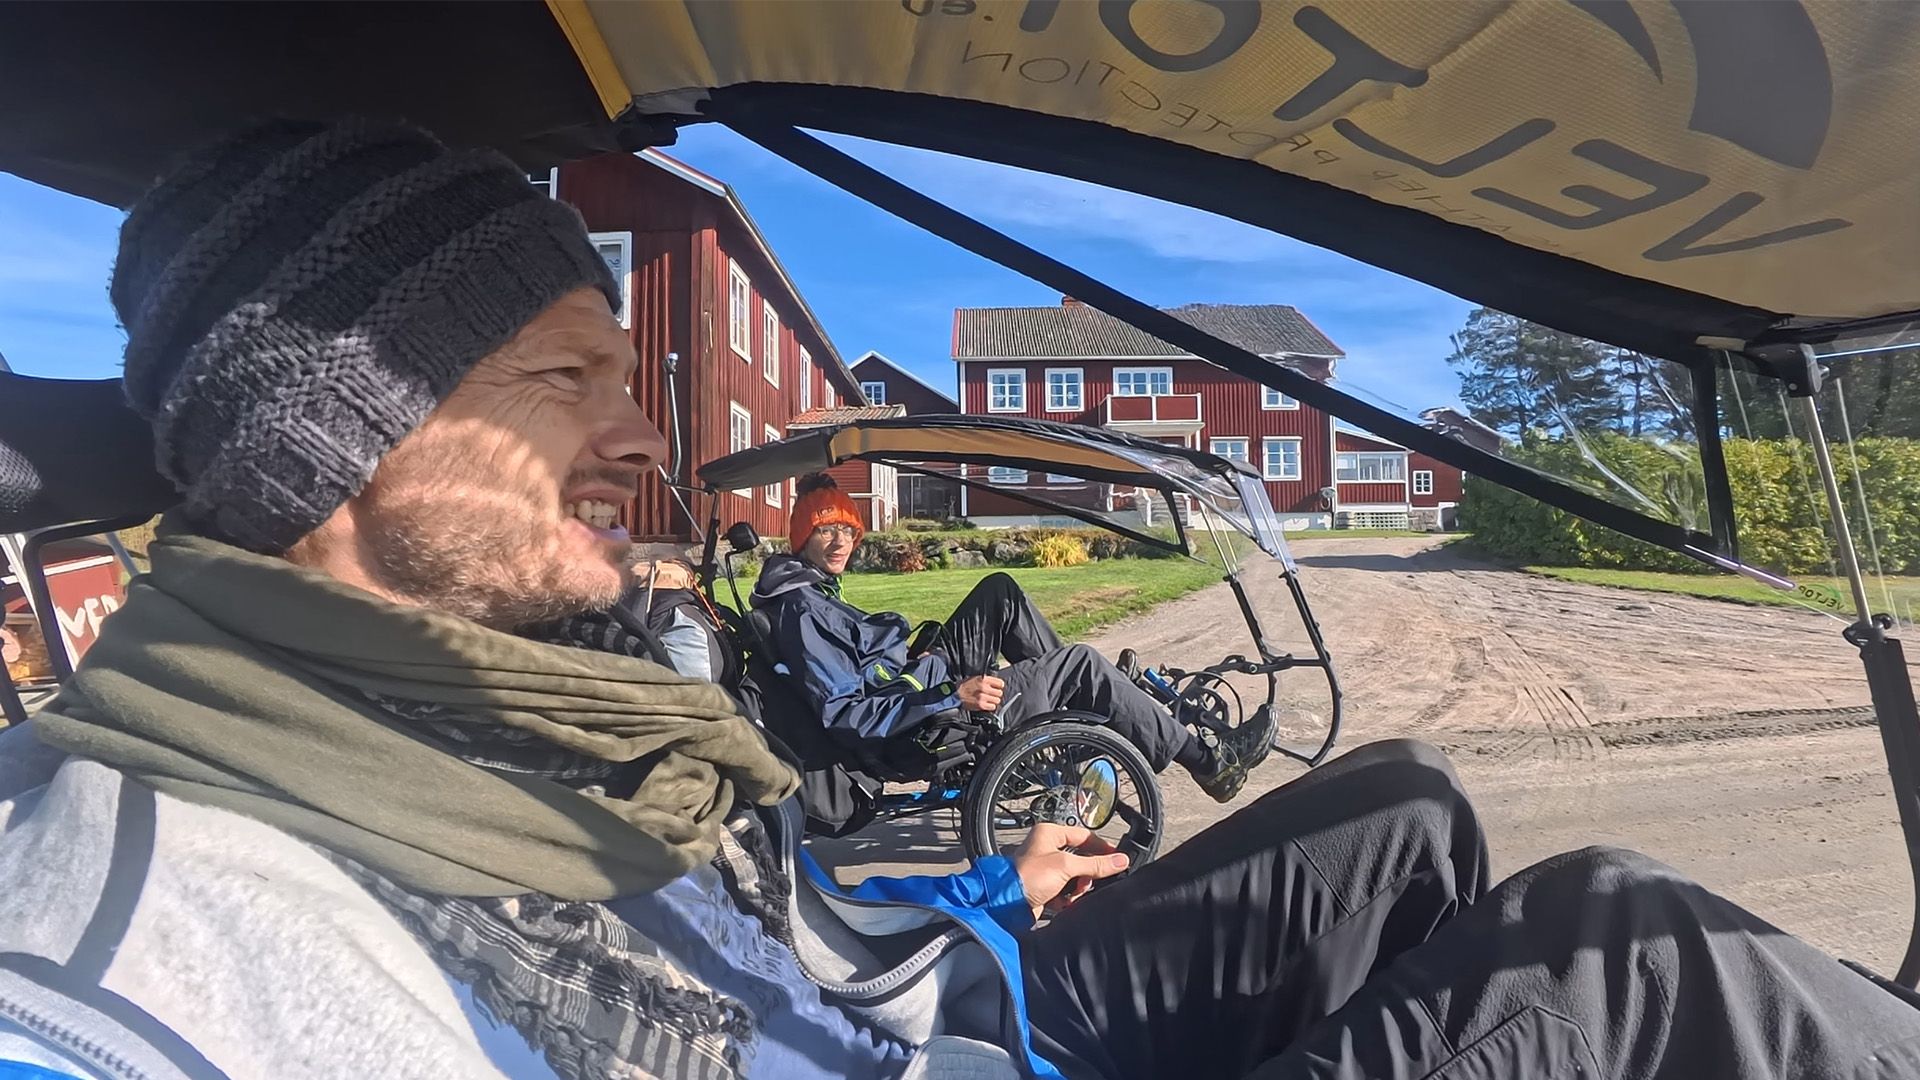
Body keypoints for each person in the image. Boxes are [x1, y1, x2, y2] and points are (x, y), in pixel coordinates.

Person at [1, 118, 1916, 1080]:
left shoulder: (519, 707)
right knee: (1634, 950)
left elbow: (765, 952)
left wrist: (984, 896)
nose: (641, 436)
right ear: (337, 439)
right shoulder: (127, 950)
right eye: (561, 378)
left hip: (925, 1020)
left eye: (630, 375)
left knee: (1405, 803)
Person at [751, 473, 1269, 802]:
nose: (841, 540)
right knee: (1080, 665)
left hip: (917, 683)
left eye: (848, 528)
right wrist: (948, 694)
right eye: (825, 530)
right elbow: (845, 714)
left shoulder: (814, 590)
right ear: (802, 534)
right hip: (918, 727)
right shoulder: (802, 608)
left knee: (999, 590)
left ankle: (1075, 702)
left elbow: (870, 670)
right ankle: (1209, 764)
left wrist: (921, 662)